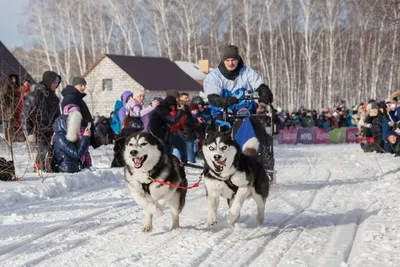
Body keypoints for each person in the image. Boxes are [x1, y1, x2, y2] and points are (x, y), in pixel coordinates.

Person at [203, 45, 273, 118]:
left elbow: (261, 87)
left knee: (255, 125)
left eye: (233, 60)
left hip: (246, 113)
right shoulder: (214, 76)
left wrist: (264, 98)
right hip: (222, 114)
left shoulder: (248, 72)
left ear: (238, 60)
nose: (230, 63)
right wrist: (226, 101)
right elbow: (213, 98)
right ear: (223, 61)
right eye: (227, 60)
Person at [24, 71, 62, 171]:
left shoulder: (55, 99)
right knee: (44, 151)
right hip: (37, 130)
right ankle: (41, 174)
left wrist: (60, 130)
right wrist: (30, 132)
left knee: (50, 152)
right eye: (54, 81)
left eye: (57, 82)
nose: (56, 84)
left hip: (51, 131)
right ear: (48, 81)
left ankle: (39, 169)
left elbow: (58, 117)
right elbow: (25, 115)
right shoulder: (34, 96)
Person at [61, 77, 99, 149]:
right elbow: (71, 117)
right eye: (81, 85)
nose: (83, 87)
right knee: (78, 156)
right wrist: (85, 123)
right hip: (76, 134)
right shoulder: (70, 98)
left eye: (84, 85)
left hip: (82, 132)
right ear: (75, 85)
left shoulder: (77, 98)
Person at [52, 104, 91, 173]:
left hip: (72, 168)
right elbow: (78, 154)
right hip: (67, 169)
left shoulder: (67, 135)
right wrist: (85, 138)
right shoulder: (60, 138)